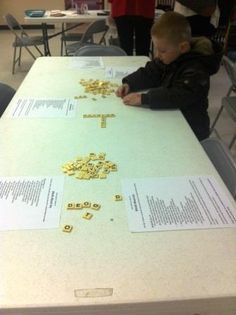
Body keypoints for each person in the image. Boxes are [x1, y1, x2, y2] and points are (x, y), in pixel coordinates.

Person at [116, 11, 222, 141]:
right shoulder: (171, 56)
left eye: (162, 51)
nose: (157, 55)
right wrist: (129, 83)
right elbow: (151, 71)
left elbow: (178, 95)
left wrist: (144, 98)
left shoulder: (197, 68)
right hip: (172, 118)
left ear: (182, 47)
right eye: (156, 49)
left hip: (192, 131)